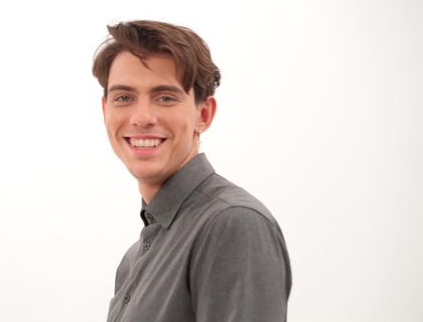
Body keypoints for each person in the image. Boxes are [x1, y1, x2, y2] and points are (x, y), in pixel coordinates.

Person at [92, 20, 292, 322]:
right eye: (124, 97)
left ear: (203, 114)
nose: (142, 117)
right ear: (106, 110)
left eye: (165, 97)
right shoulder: (134, 259)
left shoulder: (232, 224)